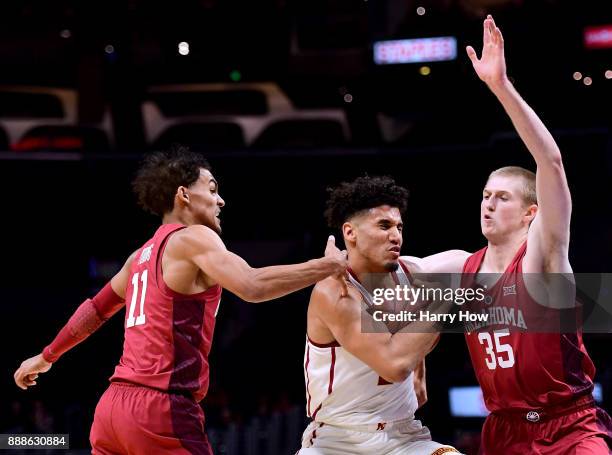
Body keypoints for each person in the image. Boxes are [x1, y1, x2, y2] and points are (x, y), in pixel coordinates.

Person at [14, 146, 348, 455]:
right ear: (184, 195)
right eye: (213, 189)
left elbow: (94, 311)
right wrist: (327, 265)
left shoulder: (139, 257)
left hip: (111, 410)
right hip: (160, 410)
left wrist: (46, 356)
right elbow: (252, 285)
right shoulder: (194, 237)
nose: (221, 201)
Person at [405, 15, 612, 453]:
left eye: (501, 197)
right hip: (503, 430)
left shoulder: (543, 256)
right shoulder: (461, 267)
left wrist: (500, 86)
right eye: (485, 195)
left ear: (530, 213)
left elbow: (551, 162)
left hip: (570, 426)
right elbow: (399, 272)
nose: (488, 204)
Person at [298, 176, 460, 455]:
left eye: (399, 227)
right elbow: (394, 365)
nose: (396, 235)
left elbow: (488, 261)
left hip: (404, 437)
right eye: (384, 226)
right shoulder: (334, 292)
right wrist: (448, 298)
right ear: (350, 233)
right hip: (337, 442)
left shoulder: (415, 273)